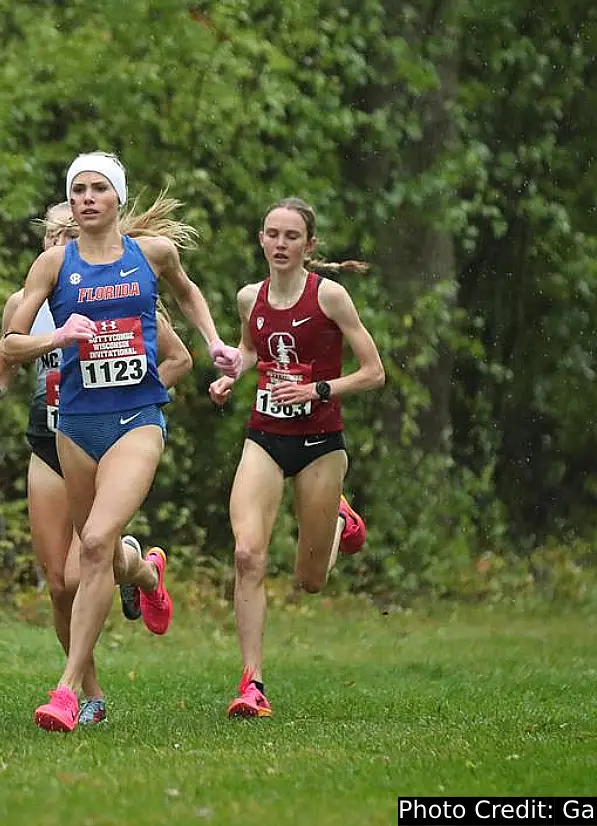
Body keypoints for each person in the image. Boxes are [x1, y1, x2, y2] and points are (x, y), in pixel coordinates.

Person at [1, 151, 241, 732]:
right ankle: (137, 589)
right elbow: (7, 347)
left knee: (96, 544)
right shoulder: (43, 280)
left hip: (131, 420)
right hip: (64, 432)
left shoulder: (142, 266)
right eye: (75, 193)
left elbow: (183, 311)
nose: (84, 203)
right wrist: (48, 342)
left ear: (115, 203)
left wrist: (201, 352)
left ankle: (66, 693)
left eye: (96, 192)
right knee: (78, 571)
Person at [0, 197, 197, 726]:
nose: (60, 243)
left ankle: (139, 574)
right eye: (53, 233)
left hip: (108, 434)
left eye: (68, 234)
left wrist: (139, 392)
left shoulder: (121, 291)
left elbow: (179, 358)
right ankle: (91, 693)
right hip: (49, 444)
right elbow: (6, 359)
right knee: (59, 583)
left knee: (91, 556)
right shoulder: (24, 300)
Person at [208, 197, 386, 719]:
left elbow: (374, 372)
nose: (280, 244)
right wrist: (230, 374)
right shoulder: (249, 298)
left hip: (320, 444)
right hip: (264, 436)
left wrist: (319, 391)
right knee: (247, 554)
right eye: (272, 234)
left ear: (309, 246)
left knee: (310, 581)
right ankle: (252, 684)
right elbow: (250, 349)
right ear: (261, 240)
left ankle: (337, 516)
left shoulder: (330, 297)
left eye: (291, 236)